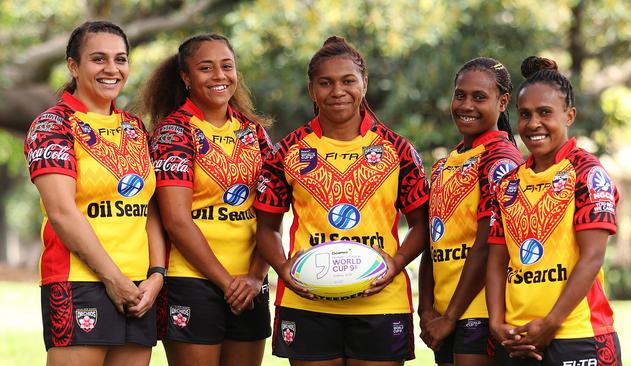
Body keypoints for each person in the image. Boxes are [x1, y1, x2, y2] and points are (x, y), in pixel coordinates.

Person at [254, 36, 430, 366]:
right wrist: (282, 267)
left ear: (364, 83)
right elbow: (266, 228)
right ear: (311, 90)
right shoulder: (287, 152)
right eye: (326, 83)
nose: (338, 91)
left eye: (348, 81)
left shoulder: (398, 150)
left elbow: (422, 225)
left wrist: (396, 262)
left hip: (381, 302)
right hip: (308, 302)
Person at [24, 21, 165, 366]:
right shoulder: (52, 125)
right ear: (73, 65)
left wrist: (157, 276)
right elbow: (62, 213)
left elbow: (148, 209)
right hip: (78, 281)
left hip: (139, 287)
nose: (112, 69)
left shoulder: (134, 127)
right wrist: (113, 279)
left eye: (120, 59)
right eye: (98, 59)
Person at [141, 34, 274, 366]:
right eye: (206, 68)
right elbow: (176, 221)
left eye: (226, 66)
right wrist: (227, 282)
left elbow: (271, 215)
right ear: (186, 77)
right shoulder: (174, 133)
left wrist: (255, 277)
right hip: (192, 280)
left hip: (249, 282)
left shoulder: (254, 132)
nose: (219, 76)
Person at [486, 56, 622, 366]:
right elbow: (496, 261)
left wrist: (550, 323)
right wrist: (496, 323)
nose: (533, 124)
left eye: (545, 113)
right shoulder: (508, 184)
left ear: (569, 115)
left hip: (577, 335)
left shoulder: (587, 172)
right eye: (525, 115)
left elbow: (592, 257)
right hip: (516, 337)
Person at [418, 57, 524, 366]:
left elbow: (486, 245)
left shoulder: (500, 160)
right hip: (442, 314)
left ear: (502, 102)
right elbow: (432, 244)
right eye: (460, 95)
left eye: (480, 97)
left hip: (478, 311)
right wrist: (426, 309)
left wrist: (451, 316)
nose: (466, 105)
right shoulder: (444, 164)